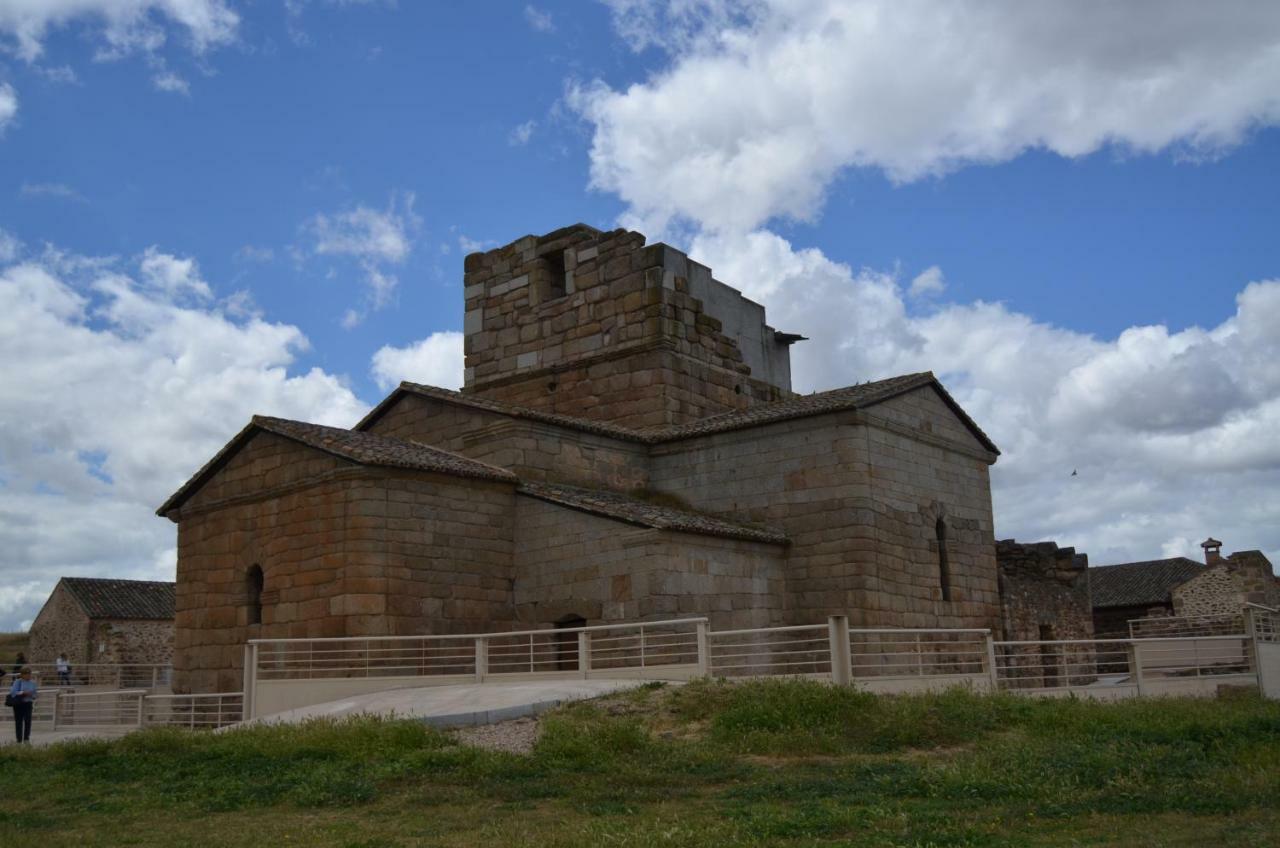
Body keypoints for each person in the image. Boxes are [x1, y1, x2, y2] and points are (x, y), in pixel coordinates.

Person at [9, 666, 37, 744]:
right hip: (19, 704)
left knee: (28, 721)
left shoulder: (33, 683)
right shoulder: (17, 682)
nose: (28, 675)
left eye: (29, 674)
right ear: (22, 674)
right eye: (26, 674)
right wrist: (23, 692)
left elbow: (35, 695)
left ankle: (26, 738)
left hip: (28, 703)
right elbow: (13, 692)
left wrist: (31, 695)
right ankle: (19, 739)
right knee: (19, 722)